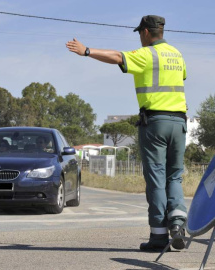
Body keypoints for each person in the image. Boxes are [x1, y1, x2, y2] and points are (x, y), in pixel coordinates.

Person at [66, 15, 187, 252]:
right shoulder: (177, 54)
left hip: (156, 122)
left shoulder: (147, 54)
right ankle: (178, 223)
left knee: (156, 179)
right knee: (175, 176)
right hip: (180, 122)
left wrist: (87, 51)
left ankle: (159, 238)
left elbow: (117, 57)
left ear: (144, 32)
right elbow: (179, 78)